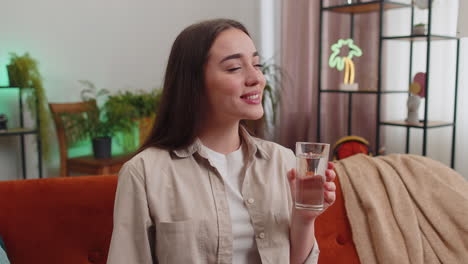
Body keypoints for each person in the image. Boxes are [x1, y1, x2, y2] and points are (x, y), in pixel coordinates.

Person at [107, 18, 336, 264]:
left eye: (256, 64)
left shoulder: (283, 161)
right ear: (193, 83)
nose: (256, 78)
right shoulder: (144, 173)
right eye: (234, 68)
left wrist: (303, 218)